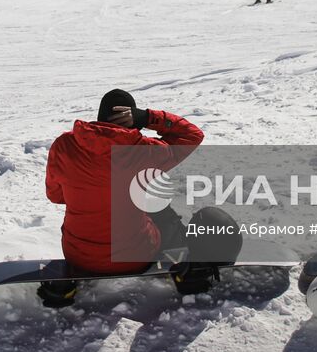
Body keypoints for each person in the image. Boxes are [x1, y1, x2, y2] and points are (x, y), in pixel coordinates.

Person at [41, 89, 226, 306]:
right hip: (135, 258)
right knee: (162, 212)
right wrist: (148, 117)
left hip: (79, 257)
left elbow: (55, 196)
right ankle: (185, 269)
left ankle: (69, 283)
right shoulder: (145, 150)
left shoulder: (64, 145)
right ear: (133, 121)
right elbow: (192, 134)